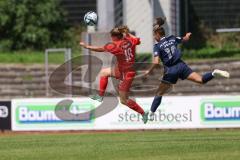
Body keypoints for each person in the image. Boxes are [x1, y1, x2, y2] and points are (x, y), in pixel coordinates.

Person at [144, 17, 230, 121]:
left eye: (154, 35)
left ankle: (152, 113)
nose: (154, 37)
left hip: (171, 70)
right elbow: (185, 39)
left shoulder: (157, 46)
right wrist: (187, 35)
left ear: (158, 34)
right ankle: (214, 73)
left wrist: (149, 71)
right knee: (201, 80)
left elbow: (156, 62)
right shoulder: (172, 38)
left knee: (159, 93)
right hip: (181, 65)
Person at [80, 27, 149, 123]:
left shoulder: (115, 45)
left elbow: (100, 49)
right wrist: (128, 34)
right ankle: (100, 96)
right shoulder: (129, 40)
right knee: (104, 72)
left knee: (124, 100)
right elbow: (138, 41)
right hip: (122, 69)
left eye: (111, 36)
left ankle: (143, 113)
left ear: (114, 37)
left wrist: (86, 46)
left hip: (126, 74)